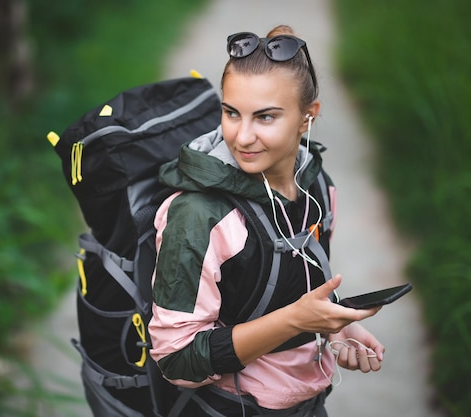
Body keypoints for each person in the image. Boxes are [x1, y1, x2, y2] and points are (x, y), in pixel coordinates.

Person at [148, 25, 385, 417]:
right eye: (231, 113)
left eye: (265, 117)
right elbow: (177, 360)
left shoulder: (317, 186)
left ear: (308, 118)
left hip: (308, 404)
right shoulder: (198, 216)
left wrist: (332, 325)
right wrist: (295, 321)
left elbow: (287, 286)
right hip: (230, 407)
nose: (242, 137)